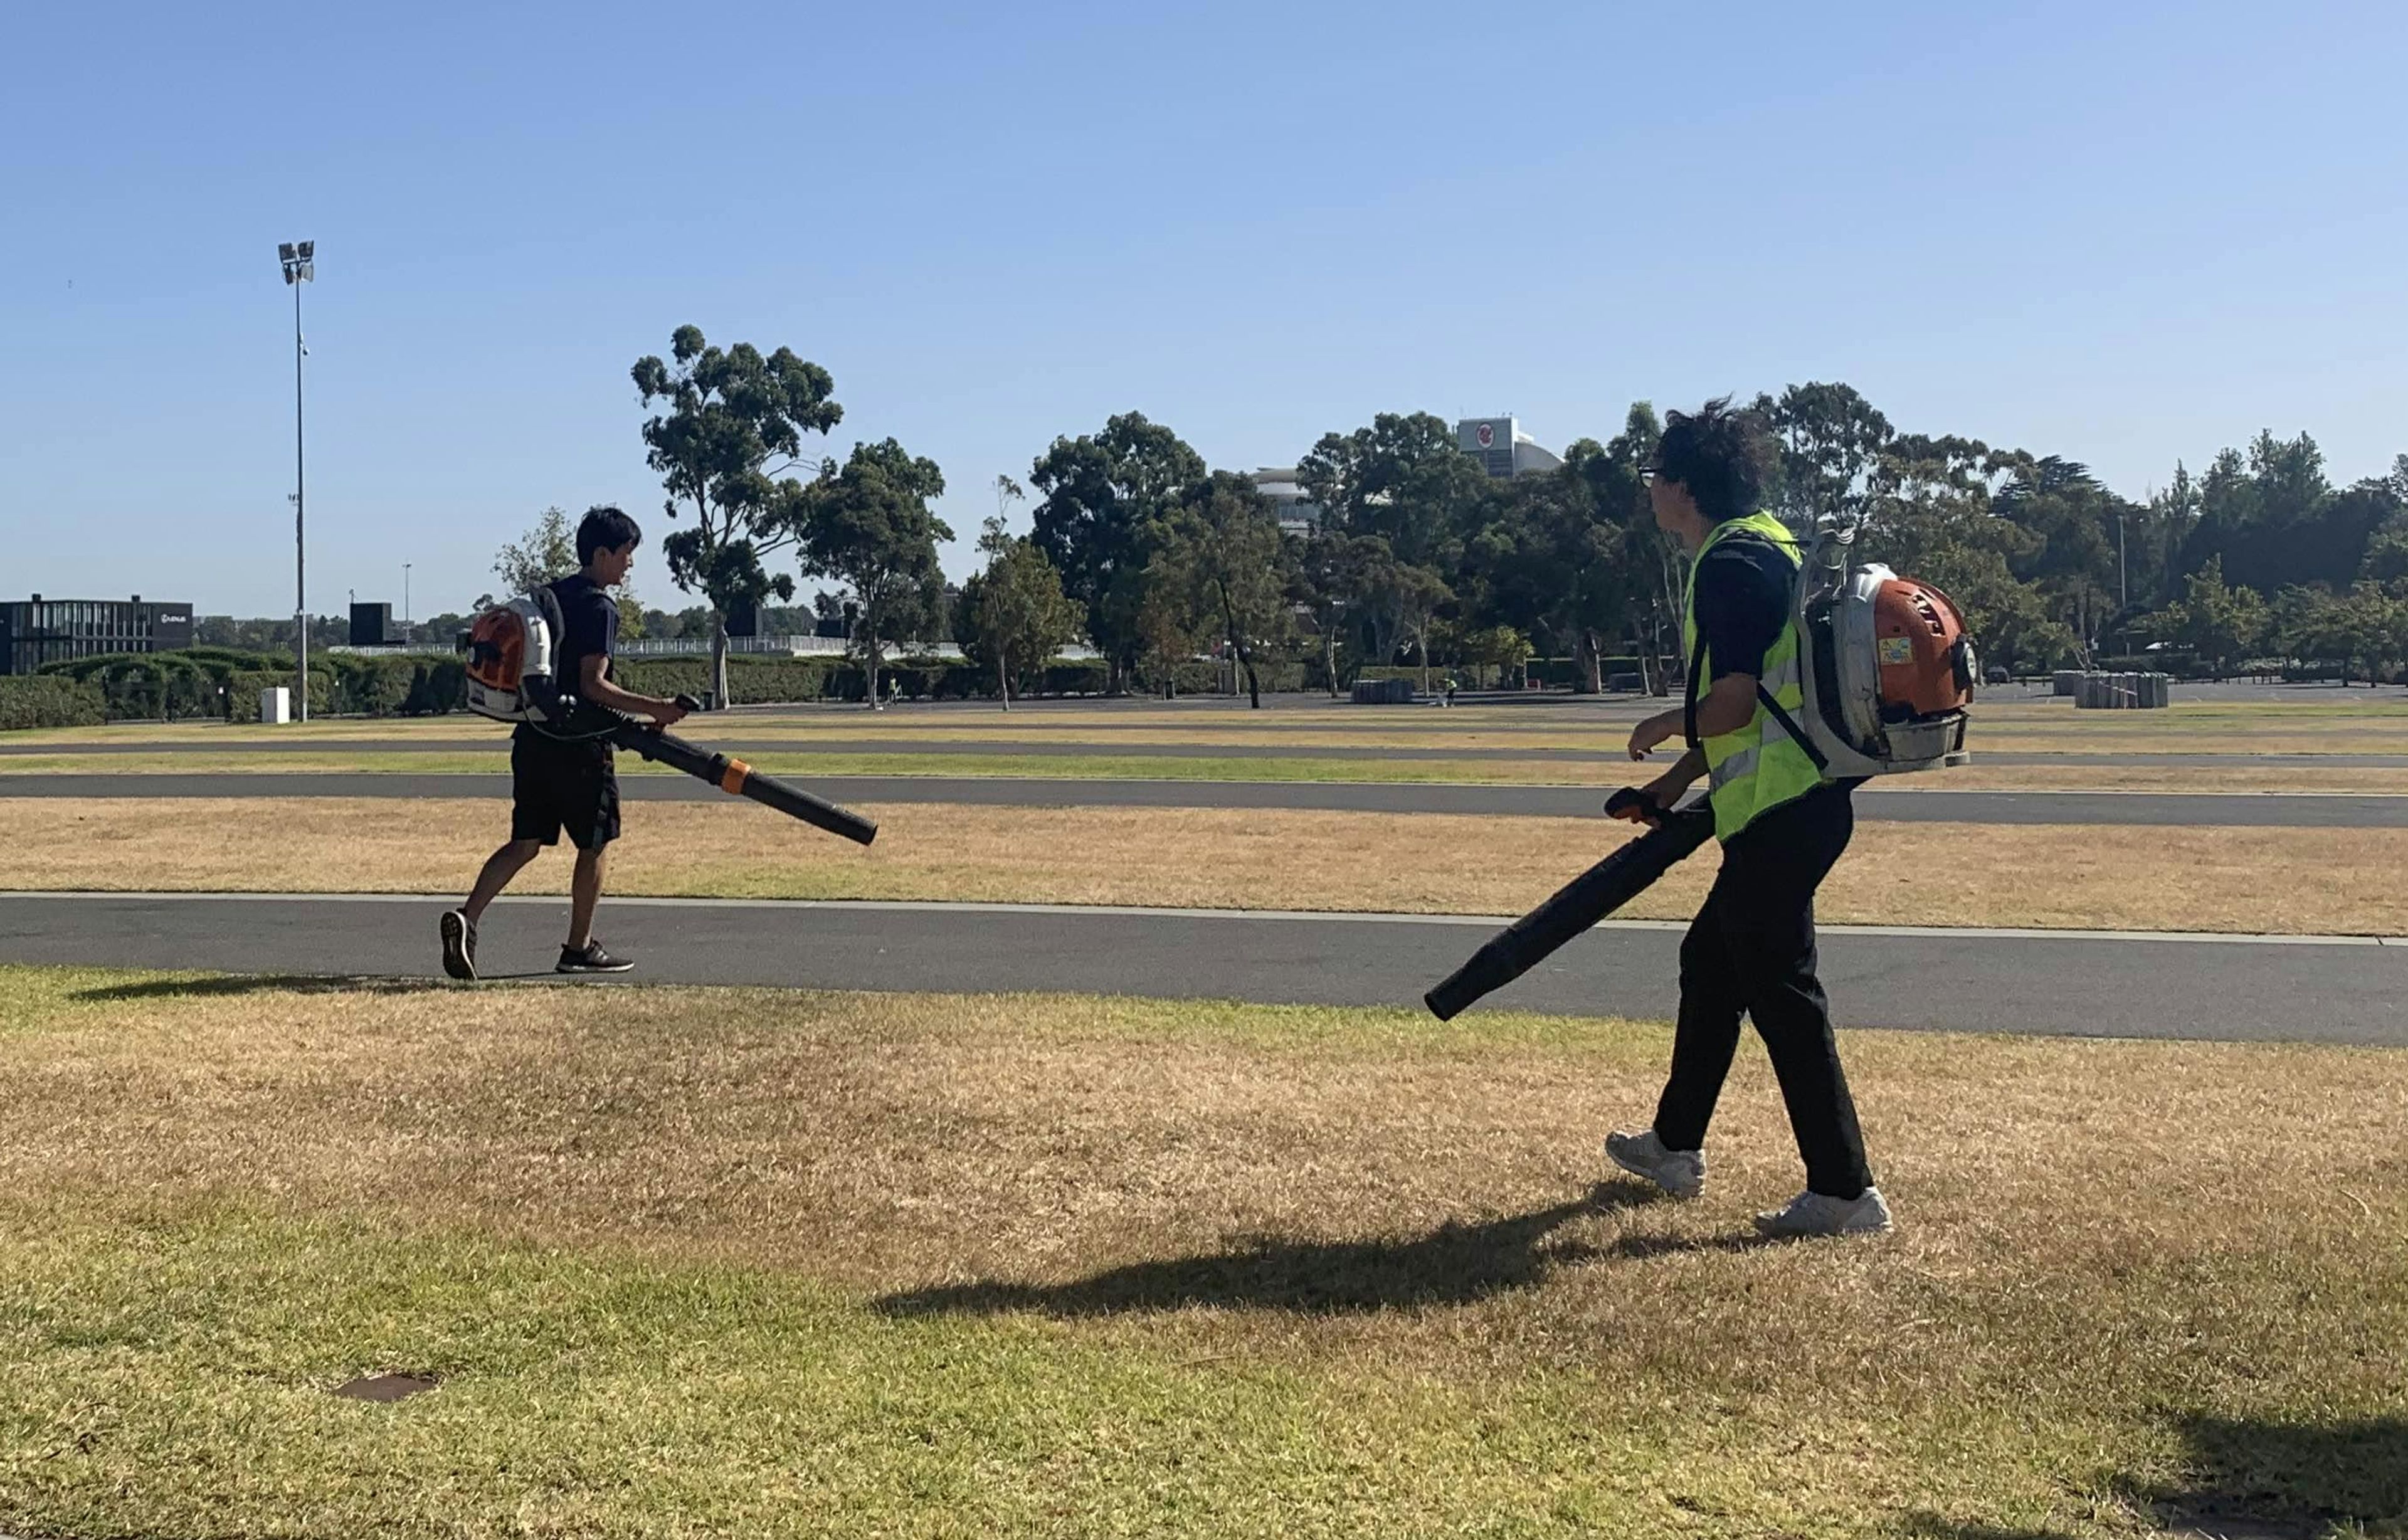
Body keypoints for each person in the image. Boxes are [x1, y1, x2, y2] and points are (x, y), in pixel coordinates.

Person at [1602, 398, 1891, 1238]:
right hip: (1796, 801)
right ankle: (1675, 1144)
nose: (1651, 493)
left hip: (1783, 811)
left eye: (1655, 478)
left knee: (1784, 996)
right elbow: (1764, 705)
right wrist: (1676, 784)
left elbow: (1730, 701)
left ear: (1683, 486)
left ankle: (1844, 1192)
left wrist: (1663, 727)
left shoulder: (1730, 564)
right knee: (1712, 961)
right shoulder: (1770, 543)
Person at [440, 507, 688, 981]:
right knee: (594, 846)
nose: (629, 565)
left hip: (533, 736)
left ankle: (467, 918)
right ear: (601, 554)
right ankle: (578, 947)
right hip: (580, 746)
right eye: (625, 555)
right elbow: (593, 685)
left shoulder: (549, 597)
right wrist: (655, 707)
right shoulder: (600, 607)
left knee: (525, 842)